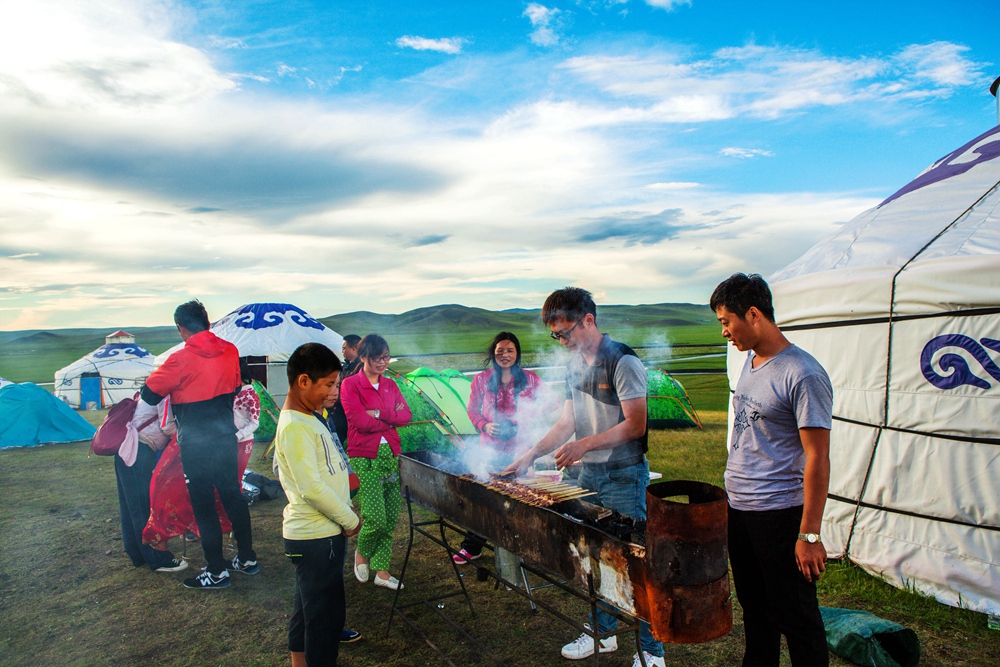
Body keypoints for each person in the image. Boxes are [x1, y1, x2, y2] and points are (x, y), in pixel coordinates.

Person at [504, 287, 665, 667]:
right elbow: (567, 422)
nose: (561, 342)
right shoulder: (573, 365)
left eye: (565, 333)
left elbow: (636, 425)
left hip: (623, 475)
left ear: (588, 320)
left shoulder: (623, 362)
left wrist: (584, 445)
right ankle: (602, 633)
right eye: (555, 336)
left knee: (634, 562)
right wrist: (530, 453)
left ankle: (652, 652)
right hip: (590, 475)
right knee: (594, 557)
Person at [711, 273, 832, 667]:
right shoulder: (750, 361)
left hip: (779, 512)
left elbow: (817, 456)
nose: (725, 332)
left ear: (754, 313)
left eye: (727, 321)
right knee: (755, 608)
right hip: (741, 509)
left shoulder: (802, 373)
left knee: (795, 616)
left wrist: (809, 534)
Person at [140, 299, 258, 590]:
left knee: (203, 506)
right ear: (207, 321)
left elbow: (149, 394)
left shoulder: (179, 359)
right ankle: (247, 558)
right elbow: (233, 388)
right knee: (233, 496)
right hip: (224, 437)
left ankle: (216, 571)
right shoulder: (231, 351)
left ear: (181, 329)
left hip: (196, 443)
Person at [273, 343, 363, 667]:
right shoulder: (296, 425)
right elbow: (311, 487)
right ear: (303, 382)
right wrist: (348, 519)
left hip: (317, 536)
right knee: (325, 621)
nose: (331, 392)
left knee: (306, 610)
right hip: (316, 537)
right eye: (328, 385)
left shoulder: (309, 418)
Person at [453, 331, 558, 564]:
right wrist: (485, 425)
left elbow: (552, 403)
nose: (505, 355)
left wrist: (526, 421)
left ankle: (525, 546)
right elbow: (473, 411)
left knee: (522, 498)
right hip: (490, 448)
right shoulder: (481, 380)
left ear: (517, 354)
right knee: (484, 496)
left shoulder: (530, 379)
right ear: (494, 354)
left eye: (510, 350)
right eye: (500, 351)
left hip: (522, 450)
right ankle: (472, 547)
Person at [340, 334, 411, 590]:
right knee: (375, 516)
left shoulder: (391, 385)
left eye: (385, 357)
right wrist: (390, 419)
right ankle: (362, 553)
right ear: (363, 357)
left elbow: (406, 416)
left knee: (391, 516)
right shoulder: (350, 385)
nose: (382, 362)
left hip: (390, 454)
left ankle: (382, 571)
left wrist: (381, 414)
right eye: (376, 358)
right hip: (364, 455)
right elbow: (359, 421)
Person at [114, 396, 186, 573]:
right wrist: (188, 437)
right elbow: (167, 426)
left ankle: (137, 554)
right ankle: (156, 558)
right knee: (143, 505)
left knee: (130, 506)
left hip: (126, 448)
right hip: (140, 450)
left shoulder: (146, 391)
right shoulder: (166, 395)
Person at [329, 334, 362, 447]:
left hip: (350, 417)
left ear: (354, 349)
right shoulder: (346, 366)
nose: (342, 351)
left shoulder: (362, 368)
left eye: (344, 348)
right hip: (339, 413)